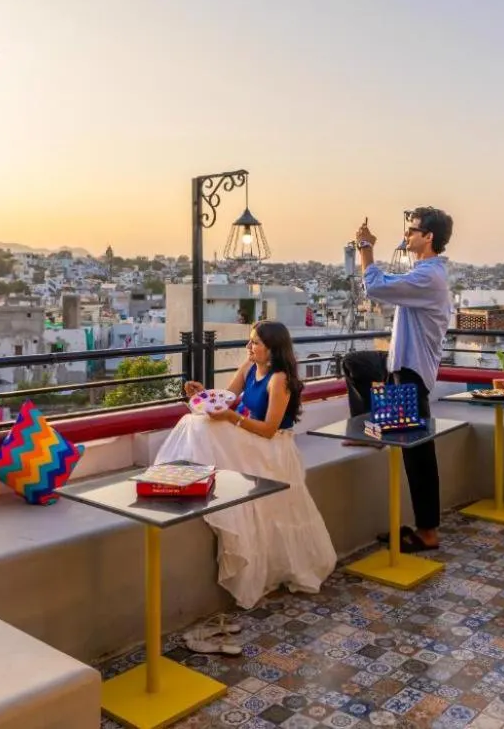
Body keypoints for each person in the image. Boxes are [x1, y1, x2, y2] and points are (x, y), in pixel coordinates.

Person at [157, 320, 337, 611]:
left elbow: (268, 429)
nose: (248, 347)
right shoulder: (249, 367)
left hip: (271, 447)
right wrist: (201, 393)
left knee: (198, 426)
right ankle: (183, 479)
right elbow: (224, 401)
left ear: (273, 349)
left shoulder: (279, 379)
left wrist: (232, 419)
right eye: (250, 341)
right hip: (250, 437)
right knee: (195, 421)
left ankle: (185, 479)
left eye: (255, 343)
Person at [342, 206, 454, 553]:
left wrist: (364, 248)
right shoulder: (423, 273)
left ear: (429, 237)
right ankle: (373, 430)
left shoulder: (428, 277)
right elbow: (384, 285)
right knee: (355, 364)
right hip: (398, 363)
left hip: (412, 370)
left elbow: (375, 286)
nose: (407, 235)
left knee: (418, 455)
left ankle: (428, 532)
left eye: (412, 230)